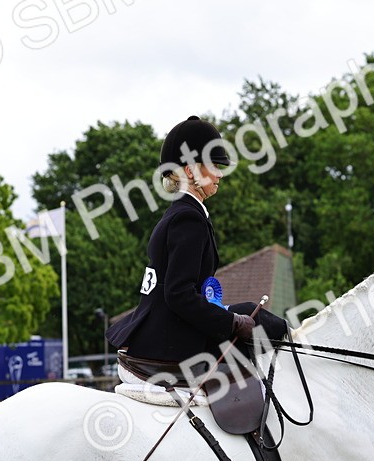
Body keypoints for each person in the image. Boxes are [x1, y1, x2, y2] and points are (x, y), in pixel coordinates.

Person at [107, 115, 287, 381]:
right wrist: (231, 323)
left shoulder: (183, 212)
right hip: (171, 339)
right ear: (190, 170)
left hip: (166, 326)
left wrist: (233, 315)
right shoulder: (188, 218)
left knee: (258, 315)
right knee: (265, 327)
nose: (220, 174)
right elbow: (178, 294)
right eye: (214, 166)